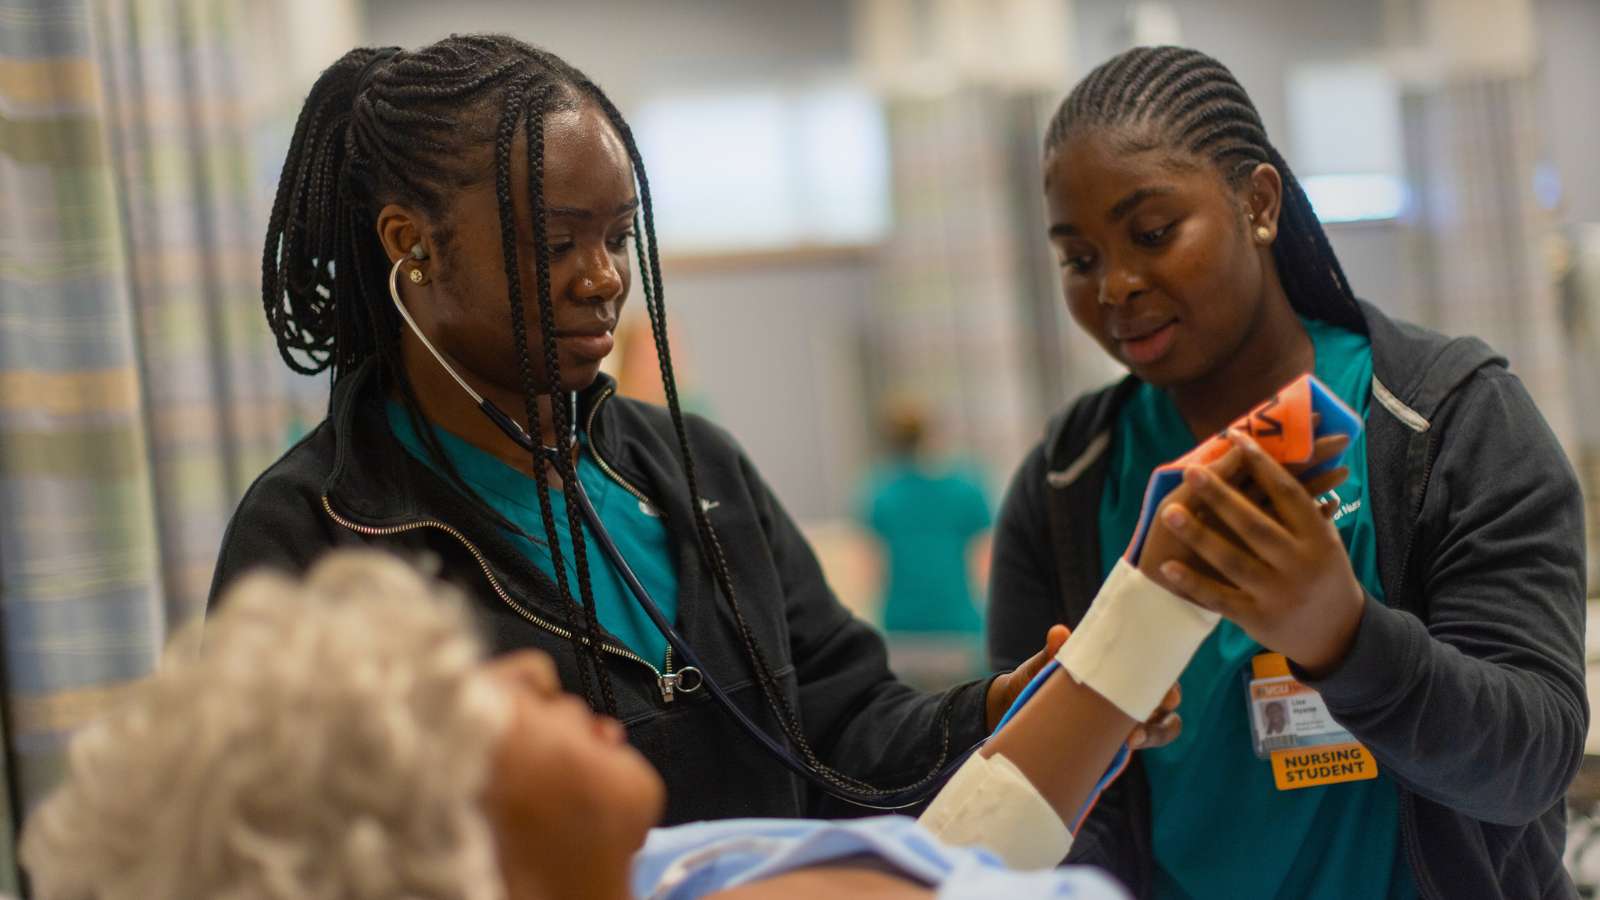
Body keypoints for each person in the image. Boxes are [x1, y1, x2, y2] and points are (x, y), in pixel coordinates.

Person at [211, 34, 1173, 825]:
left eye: (618, 237)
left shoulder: (698, 472)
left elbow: (848, 731)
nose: (604, 278)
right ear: (410, 245)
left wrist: (994, 708)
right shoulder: (319, 533)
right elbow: (288, 860)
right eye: (555, 242)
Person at [986, 45, 1588, 900]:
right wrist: (1079, 730)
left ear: (1258, 203)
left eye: (1152, 234)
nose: (1115, 285)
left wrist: (1343, 638)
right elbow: (1022, 823)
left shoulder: (1445, 422)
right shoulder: (1067, 486)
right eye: (1078, 260)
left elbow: (1531, 764)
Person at [23, 549, 1212, 899]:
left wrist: (1152, 610)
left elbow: (969, 846)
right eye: (452, 697)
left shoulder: (656, 869)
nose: (534, 678)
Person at [857, 401, 992, 640]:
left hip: (902, 625)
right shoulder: (966, 490)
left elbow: (872, 570)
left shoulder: (880, 493)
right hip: (957, 623)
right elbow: (984, 564)